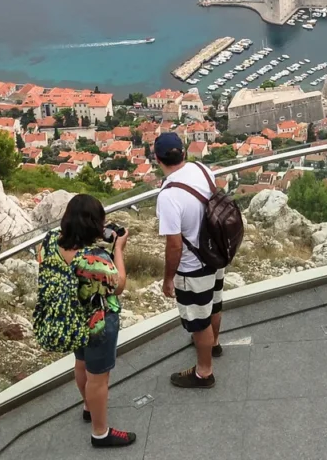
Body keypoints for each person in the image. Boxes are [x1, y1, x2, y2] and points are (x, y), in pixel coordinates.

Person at [36, 195, 134, 447]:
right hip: (97, 322)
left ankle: (89, 407)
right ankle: (100, 433)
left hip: (71, 316)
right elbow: (119, 285)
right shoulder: (94, 260)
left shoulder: (49, 241)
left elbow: (44, 260)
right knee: (98, 378)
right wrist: (118, 249)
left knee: (81, 363)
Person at [155, 131, 222, 389]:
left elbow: (174, 245)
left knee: (198, 320)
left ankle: (204, 372)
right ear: (183, 153)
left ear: (157, 159)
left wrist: (168, 279)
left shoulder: (168, 195)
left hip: (193, 266)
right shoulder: (201, 169)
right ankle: (214, 345)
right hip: (215, 252)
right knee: (214, 303)